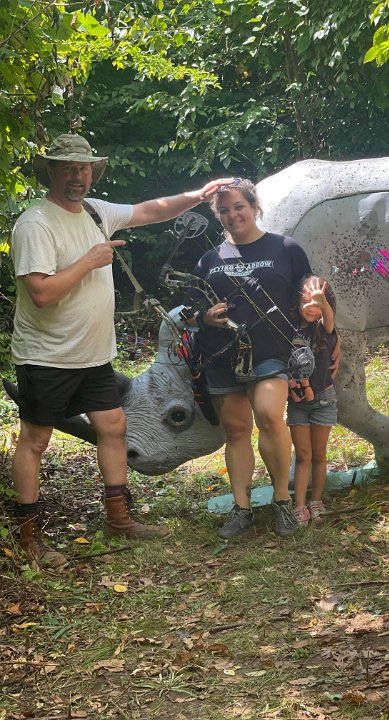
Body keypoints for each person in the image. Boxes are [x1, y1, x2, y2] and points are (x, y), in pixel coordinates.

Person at [10, 132, 233, 568]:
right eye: (68, 168)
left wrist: (199, 195)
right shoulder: (35, 224)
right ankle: (28, 539)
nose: (78, 176)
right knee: (35, 440)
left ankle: (118, 519)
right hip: (47, 356)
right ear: (50, 172)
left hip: (94, 356)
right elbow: (40, 293)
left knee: (113, 427)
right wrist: (90, 261)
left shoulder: (95, 212)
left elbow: (151, 210)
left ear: (93, 172)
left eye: (84, 168)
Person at [184, 178, 313, 538]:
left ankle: (282, 501)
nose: (232, 215)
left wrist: (314, 315)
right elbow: (189, 309)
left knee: (270, 416)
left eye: (239, 206)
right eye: (224, 210)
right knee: (237, 430)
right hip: (220, 354)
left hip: (271, 350)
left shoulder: (285, 248)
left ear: (255, 207)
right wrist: (205, 316)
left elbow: (308, 294)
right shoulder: (209, 259)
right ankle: (242, 508)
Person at [287, 275, 338, 526]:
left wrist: (323, 304)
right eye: (306, 301)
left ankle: (316, 501)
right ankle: (299, 505)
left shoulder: (325, 329)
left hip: (324, 400)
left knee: (319, 454)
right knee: (303, 455)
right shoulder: (288, 328)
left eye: (317, 303)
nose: (311, 307)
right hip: (297, 403)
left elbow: (328, 319)